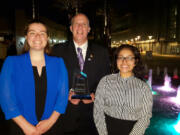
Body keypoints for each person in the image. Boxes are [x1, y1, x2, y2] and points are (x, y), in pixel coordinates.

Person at [0, 20, 69, 135]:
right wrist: (26, 127)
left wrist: (50, 122)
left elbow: (62, 97)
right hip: (21, 128)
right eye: (32, 33)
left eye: (42, 33)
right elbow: (6, 99)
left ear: (47, 38)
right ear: (26, 37)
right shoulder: (11, 62)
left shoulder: (58, 63)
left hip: (52, 126)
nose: (37, 36)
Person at [52, 13, 110, 135]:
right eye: (76, 24)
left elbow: (106, 81)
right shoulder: (57, 51)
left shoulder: (102, 52)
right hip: (65, 114)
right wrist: (65, 95)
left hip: (92, 116)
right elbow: (52, 80)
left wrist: (96, 95)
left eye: (84, 24)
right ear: (71, 28)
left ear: (89, 29)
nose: (80, 27)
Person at [94, 44, 153, 135]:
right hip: (106, 129)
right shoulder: (105, 81)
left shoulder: (143, 88)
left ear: (135, 61)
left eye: (129, 58)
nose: (124, 61)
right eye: (120, 57)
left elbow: (145, 117)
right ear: (116, 60)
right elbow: (98, 111)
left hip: (133, 131)